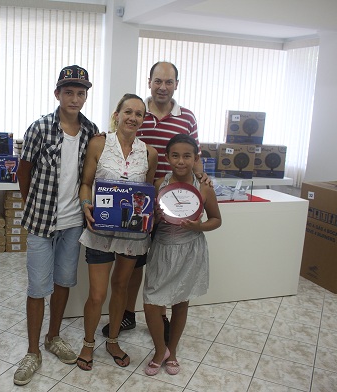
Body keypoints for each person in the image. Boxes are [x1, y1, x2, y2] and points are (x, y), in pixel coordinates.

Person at [101, 61, 210, 343]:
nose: (163, 87)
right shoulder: (138, 113)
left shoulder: (187, 117)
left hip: (177, 203)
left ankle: (161, 317)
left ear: (176, 84)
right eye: (158, 81)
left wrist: (202, 179)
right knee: (136, 262)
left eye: (169, 82)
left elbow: (195, 155)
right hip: (141, 201)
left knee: (167, 263)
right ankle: (128, 313)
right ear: (149, 81)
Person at [14, 65, 99, 386]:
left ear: (85, 96)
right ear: (57, 94)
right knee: (37, 288)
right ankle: (32, 351)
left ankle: (53, 337)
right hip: (41, 221)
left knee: (63, 282)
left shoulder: (90, 132)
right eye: (69, 92)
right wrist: (30, 203)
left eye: (80, 93)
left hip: (73, 223)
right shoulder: (40, 129)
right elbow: (24, 171)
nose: (74, 98)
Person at [76, 93, 158, 371]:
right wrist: (86, 204)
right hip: (99, 230)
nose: (133, 118)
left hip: (132, 235)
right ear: (117, 114)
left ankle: (112, 340)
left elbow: (147, 194)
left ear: (143, 120)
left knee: (121, 287)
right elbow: (86, 182)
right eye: (128, 112)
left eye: (139, 114)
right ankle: (88, 344)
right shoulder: (99, 143)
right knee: (97, 294)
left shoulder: (149, 153)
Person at [143, 134, 221, 376]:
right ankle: (159, 350)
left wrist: (198, 226)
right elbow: (150, 221)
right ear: (167, 158)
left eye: (187, 156)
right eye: (175, 155)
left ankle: (172, 351)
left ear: (195, 158)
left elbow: (217, 220)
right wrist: (153, 215)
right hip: (163, 248)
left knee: (180, 302)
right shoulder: (159, 185)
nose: (181, 161)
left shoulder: (204, 187)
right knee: (151, 302)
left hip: (190, 249)